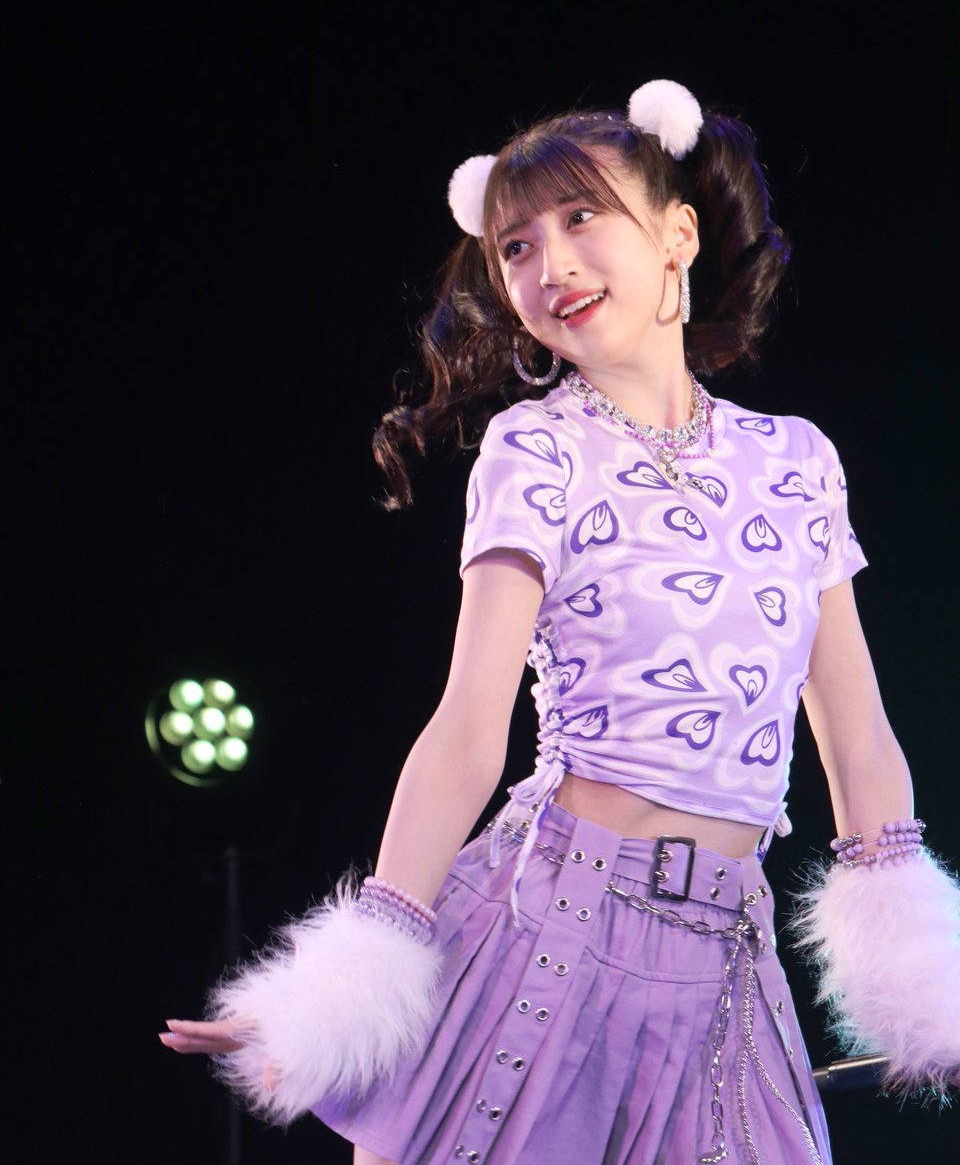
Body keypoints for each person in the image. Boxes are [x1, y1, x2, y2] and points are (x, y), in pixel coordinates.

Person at [161, 80, 959, 1164]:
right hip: (550, 931)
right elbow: (466, 728)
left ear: (677, 235)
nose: (552, 265)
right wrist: (346, 983)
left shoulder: (797, 461)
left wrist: (927, 985)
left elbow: (858, 738)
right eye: (517, 247)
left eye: (583, 218)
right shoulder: (536, 451)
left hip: (728, 962)